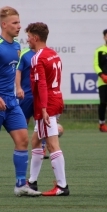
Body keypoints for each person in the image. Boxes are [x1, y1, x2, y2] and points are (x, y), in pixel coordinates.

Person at [0, 6, 40, 198]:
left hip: (11, 102)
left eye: (19, 22)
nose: (19, 26)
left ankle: (20, 184)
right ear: (4, 25)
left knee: (23, 140)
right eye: (15, 23)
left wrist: (17, 88)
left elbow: (13, 72)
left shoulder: (18, 46)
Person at [26, 22, 69, 196]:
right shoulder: (54, 54)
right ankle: (32, 182)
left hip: (47, 104)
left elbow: (42, 84)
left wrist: (43, 108)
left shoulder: (38, 57)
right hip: (56, 99)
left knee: (51, 144)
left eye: (28, 37)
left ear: (36, 38)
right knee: (36, 141)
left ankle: (62, 186)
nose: (27, 40)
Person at [16, 47, 49, 159]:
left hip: (40, 94)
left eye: (30, 37)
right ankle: (22, 146)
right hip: (27, 94)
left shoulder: (45, 53)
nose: (28, 39)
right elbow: (18, 70)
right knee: (23, 121)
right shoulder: (24, 54)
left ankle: (42, 148)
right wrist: (19, 87)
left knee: (41, 120)